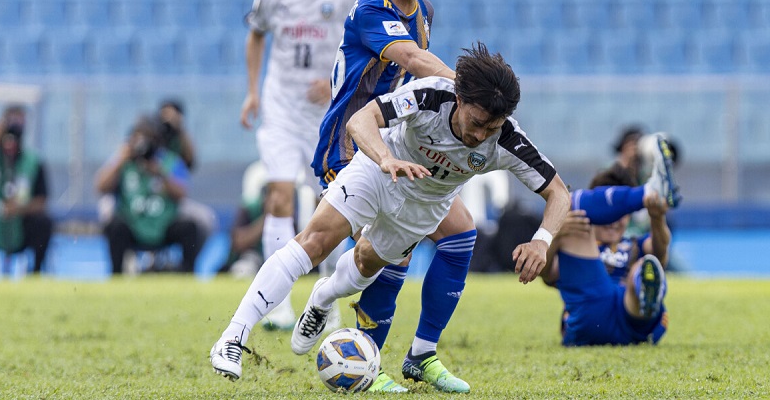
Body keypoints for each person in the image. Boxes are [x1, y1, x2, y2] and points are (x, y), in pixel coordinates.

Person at [210, 43, 571, 393]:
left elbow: (559, 193)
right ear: (459, 100)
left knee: (361, 272)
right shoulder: (431, 94)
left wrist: (542, 240)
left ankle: (323, 297)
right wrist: (385, 157)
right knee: (315, 242)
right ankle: (232, 337)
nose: (479, 136)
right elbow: (361, 119)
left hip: (421, 210)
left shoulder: (507, 140)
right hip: (378, 172)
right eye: (476, 122)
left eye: (490, 128)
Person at [310, 0, 478, 392]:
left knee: (461, 232)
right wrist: (474, 88)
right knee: (391, 253)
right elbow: (413, 60)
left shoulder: (424, 12)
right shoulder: (371, 10)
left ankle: (421, 355)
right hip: (350, 145)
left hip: (399, 143)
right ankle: (369, 359)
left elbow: (417, 85)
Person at [240, 0, 364, 330]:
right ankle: (277, 304)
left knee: (331, 203)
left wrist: (335, 86)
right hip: (280, 109)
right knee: (278, 193)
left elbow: (366, 49)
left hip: (326, 115)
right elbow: (256, 37)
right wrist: (253, 94)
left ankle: (324, 298)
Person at [540, 136, 678, 346]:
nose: (613, 222)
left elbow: (660, 254)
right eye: (608, 214)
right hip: (592, 314)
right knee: (571, 218)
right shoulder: (575, 236)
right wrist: (557, 235)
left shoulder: (633, 245)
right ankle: (648, 190)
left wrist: (657, 217)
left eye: (620, 215)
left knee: (645, 266)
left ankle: (644, 298)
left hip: (632, 318)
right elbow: (547, 274)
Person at [96, 115, 202, 274]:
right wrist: (121, 160)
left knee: (189, 227)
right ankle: (116, 273)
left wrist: (160, 173)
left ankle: (187, 273)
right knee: (115, 225)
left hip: (163, 223)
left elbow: (182, 192)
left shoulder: (168, 160)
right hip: (133, 222)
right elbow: (100, 186)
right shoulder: (124, 160)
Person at [0, 105, 53, 275]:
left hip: (20, 222)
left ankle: (35, 272)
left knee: (43, 222)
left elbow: (43, 200)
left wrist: (19, 209)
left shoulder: (32, 160)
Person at [157, 98, 219, 241]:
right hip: (144, 200)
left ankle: (189, 261)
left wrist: (178, 127)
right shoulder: (151, 133)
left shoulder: (180, 141)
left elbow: (191, 161)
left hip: (172, 202)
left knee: (207, 219)